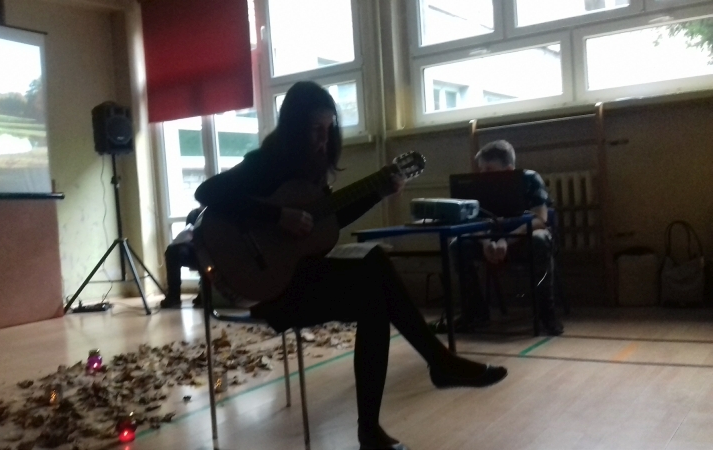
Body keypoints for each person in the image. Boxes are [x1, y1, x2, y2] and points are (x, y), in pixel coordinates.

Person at [194, 81, 507, 450]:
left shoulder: (311, 170)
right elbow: (207, 192)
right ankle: (434, 368)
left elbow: (325, 222)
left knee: (373, 289)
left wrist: (378, 192)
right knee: (374, 278)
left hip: (295, 278)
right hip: (267, 291)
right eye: (316, 129)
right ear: (294, 128)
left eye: (329, 129)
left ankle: (382, 419)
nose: (324, 139)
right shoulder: (266, 163)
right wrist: (277, 216)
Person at [452, 140, 564, 336]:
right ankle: (475, 312)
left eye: (489, 169)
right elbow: (471, 221)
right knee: (457, 245)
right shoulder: (479, 184)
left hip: (524, 238)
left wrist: (506, 240)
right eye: (481, 169)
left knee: (539, 240)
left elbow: (540, 219)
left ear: (509, 169)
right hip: (492, 239)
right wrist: (486, 242)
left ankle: (547, 313)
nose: (483, 174)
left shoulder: (530, 179)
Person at [160, 207, 203, 309]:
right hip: (197, 249)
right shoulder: (194, 214)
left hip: (217, 251)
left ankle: (205, 292)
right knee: (172, 251)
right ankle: (173, 295)